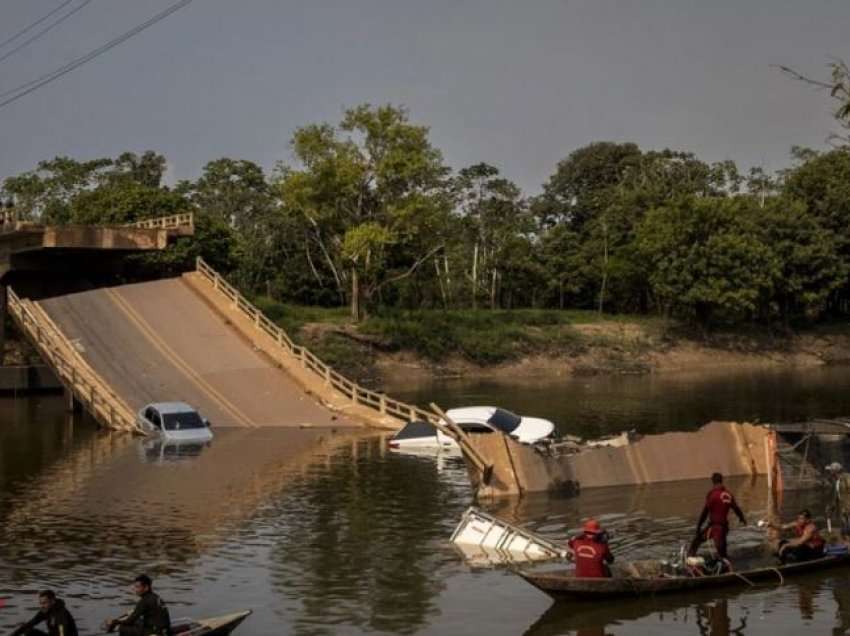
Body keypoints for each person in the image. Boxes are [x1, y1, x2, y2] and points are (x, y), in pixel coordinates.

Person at [689, 472, 746, 560]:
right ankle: (725, 562)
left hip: (715, 527)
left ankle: (690, 559)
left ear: (713, 482)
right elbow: (736, 508)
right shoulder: (728, 494)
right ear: (721, 481)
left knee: (697, 542)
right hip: (723, 527)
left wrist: (698, 527)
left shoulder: (712, 494)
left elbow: (705, 512)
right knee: (722, 550)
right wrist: (742, 518)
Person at [105, 575, 171, 636]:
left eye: (137, 587)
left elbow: (129, 621)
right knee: (138, 621)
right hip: (165, 630)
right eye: (134, 586)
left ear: (146, 588)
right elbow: (136, 615)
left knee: (123, 628)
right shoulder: (155, 596)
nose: (134, 589)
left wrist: (114, 622)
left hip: (155, 633)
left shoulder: (144, 601)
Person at [11, 590, 78, 636]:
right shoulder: (45, 610)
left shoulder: (61, 613)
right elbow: (31, 623)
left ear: (52, 601)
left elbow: (62, 632)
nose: (42, 606)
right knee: (28, 630)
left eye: (44, 603)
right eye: (41, 603)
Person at [825, 462, 850, 537]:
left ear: (834, 471)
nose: (829, 472)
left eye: (830, 470)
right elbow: (838, 496)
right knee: (844, 531)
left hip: (848, 509)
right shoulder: (837, 481)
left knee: (847, 530)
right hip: (844, 510)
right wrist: (831, 507)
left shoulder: (847, 478)